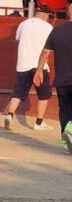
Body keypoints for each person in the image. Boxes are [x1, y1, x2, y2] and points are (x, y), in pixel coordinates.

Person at [0, 4, 56, 131]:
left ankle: (10, 115)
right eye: (48, 16)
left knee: (18, 92)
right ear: (44, 15)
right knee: (44, 95)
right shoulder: (48, 27)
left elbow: (18, 39)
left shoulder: (23, 24)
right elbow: (48, 49)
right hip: (39, 66)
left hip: (23, 64)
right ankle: (39, 122)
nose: (48, 18)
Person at [34, 12, 72, 152]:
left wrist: (39, 70)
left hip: (61, 79)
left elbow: (45, 52)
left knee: (65, 110)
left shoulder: (57, 30)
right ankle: (70, 131)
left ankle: (65, 142)